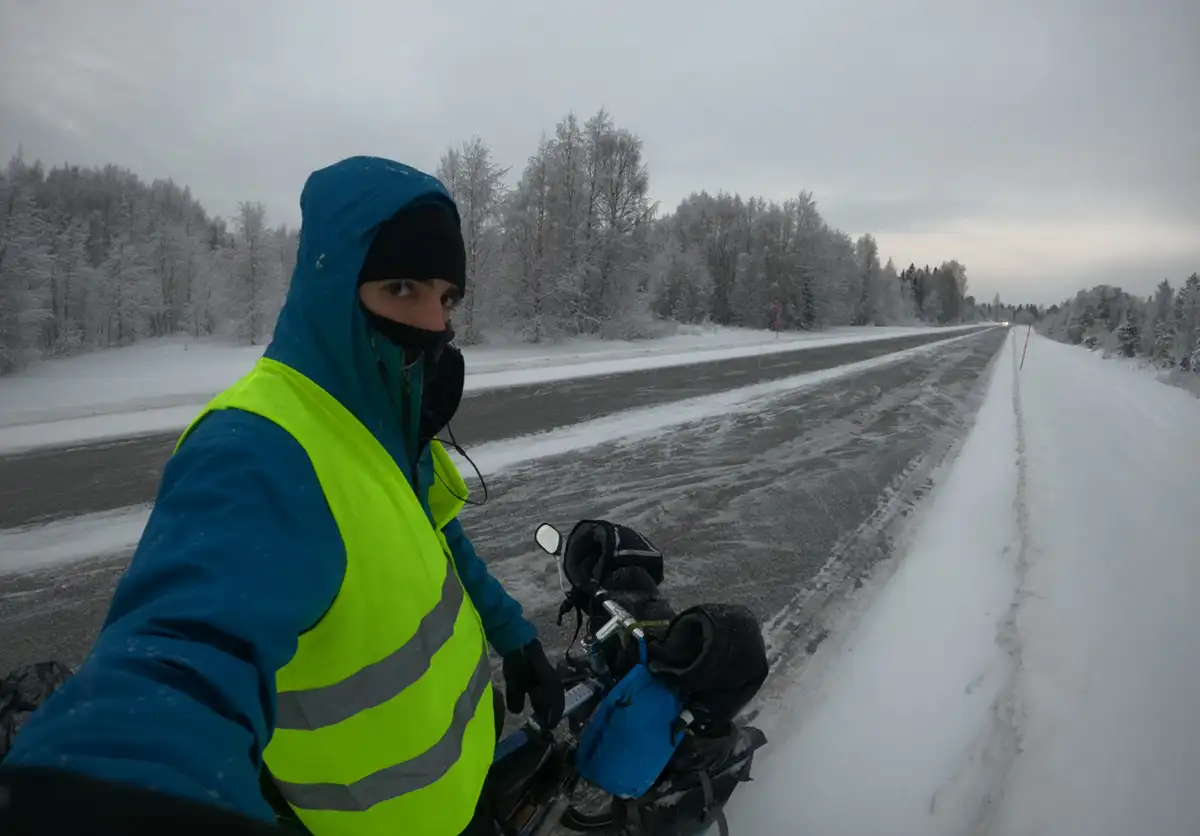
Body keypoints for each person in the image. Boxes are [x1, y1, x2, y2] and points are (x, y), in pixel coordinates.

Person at [0, 156, 565, 836]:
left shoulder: (379, 422)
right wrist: (124, 792)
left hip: (463, 795)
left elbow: (435, 538)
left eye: (446, 298)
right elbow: (183, 655)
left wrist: (513, 633)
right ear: (332, 285)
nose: (432, 324)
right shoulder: (258, 445)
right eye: (402, 286)